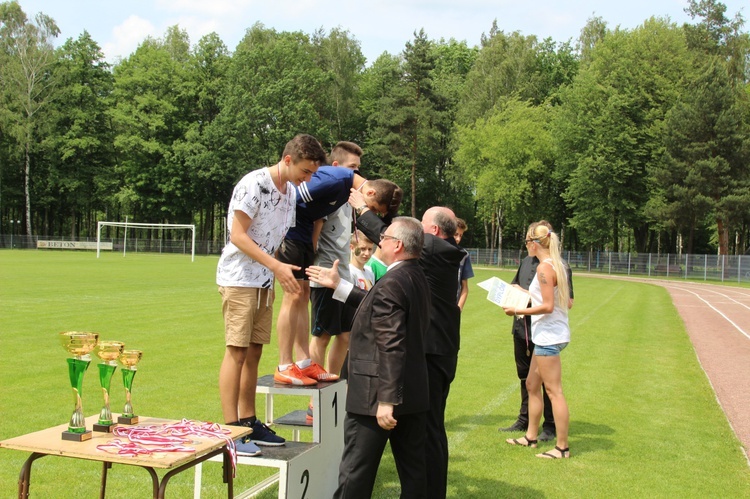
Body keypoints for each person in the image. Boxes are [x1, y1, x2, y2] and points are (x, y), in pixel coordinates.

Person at [216, 134, 327, 455]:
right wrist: (277, 267)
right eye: (305, 171)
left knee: (253, 353)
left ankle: (249, 421)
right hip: (238, 279)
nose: (307, 179)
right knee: (236, 351)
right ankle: (231, 433)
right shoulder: (253, 184)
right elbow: (237, 235)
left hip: (265, 280)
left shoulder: (291, 193)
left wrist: (280, 273)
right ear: (288, 160)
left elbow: (276, 238)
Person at [306, 217, 431, 498]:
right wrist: (339, 286)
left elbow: (391, 343)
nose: (379, 241)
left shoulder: (394, 280)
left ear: (397, 245)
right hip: (410, 392)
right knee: (414, 474)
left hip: (377, 397)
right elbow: (379, 304)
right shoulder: (414, 275)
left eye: (384, 237)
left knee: (355, 475)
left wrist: (387, 400)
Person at [351, 199, 465, 499]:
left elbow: (396, 237)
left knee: (428, 435)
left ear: (433, 231)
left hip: (431, 354)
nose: (416, 228)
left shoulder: (436, 251)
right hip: (436, 351)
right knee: (425, 436)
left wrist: (364, 211)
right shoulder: (435, 256)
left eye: (422, 226)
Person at [274, 168, 402, 386]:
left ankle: (304, 362)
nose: (368, 212)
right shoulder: (336, 180)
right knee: (294, 295)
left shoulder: (345, 190)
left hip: (302, 239)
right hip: (291, 236)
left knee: (302, 296)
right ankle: (285, 365)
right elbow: (290, 195)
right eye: (372, 209)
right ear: (369, 194)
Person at [502, 221, 573, 459]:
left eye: (527, 241)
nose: (526, 246)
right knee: (532, 385)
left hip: (548, 337)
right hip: (548, 335)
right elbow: (544, 297)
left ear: (534, 244)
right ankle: (530, 437)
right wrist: (521, 294)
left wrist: (518, 311)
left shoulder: (544, 268)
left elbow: (548, 306)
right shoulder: (553, 264)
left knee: (554, 391)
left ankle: (562, 447)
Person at [309, 142, 364, 381]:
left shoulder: (348, 200)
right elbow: (313, 236)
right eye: (352, 168)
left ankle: (333, 387)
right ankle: (315, 402)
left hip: (344, 278)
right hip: (324, 278)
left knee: (345, 335)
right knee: (321, 337)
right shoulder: (326, 195)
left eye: (358, 169)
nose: (356, 175)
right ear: (335, 167)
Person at [454, 218, 474, 311]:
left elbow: (464, 287)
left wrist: (459, 309)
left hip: (453, 309)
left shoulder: (464, 255)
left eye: (461, 235)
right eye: (456, 234)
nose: (458, 239)